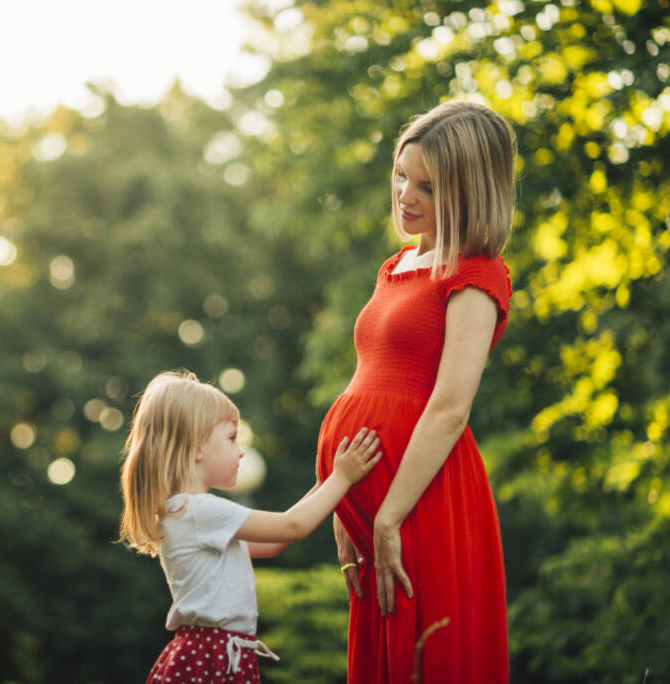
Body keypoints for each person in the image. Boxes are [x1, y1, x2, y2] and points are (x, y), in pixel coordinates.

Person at [316, 99, 516, 682]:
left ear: (468, 192)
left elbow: (451, 406)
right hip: (368, 501)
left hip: (419, 498)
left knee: (421, 655)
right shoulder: (397, 264)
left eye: (426, 186)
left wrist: (387, 518)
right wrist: (341, 500)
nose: (406, 195)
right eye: (402, 175)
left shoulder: (476, 274)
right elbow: (368, 378)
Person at [120, 370, 382, 683]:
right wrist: (342, 478)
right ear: (196, 446)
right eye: (232, 438)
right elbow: (292, 526)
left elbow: (274, 542)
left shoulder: (187, 512)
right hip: (213, 655)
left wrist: (325, 481)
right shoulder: (198, 510)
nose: (240, 450)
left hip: (219, 651)